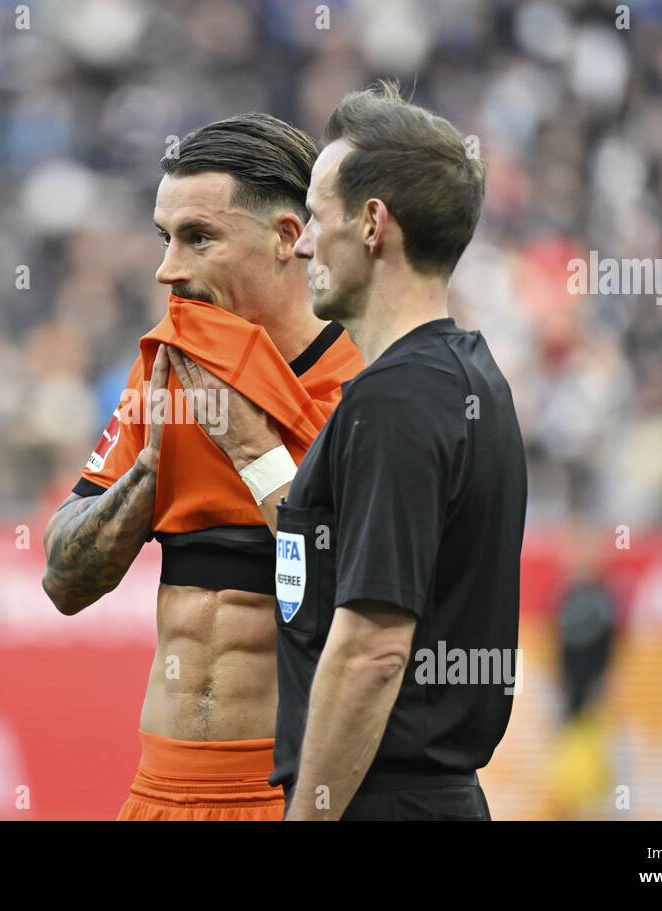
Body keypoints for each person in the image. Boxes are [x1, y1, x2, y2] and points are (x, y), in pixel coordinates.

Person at [166, 81, 527, 820]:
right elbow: (327, 564)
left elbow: (370, 651)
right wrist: (254, 450)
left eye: (317, 216)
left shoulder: (393, 400)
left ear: (371, 225)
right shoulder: (467, 376)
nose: (299, 242)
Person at [41, 113, 364, 821]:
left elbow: (365, 600)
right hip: (160, 791)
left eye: (199, 237)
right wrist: (148, 471)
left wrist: (255, 455)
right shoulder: (166, 372)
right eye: (166, 237)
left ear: (287, 237)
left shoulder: (363, 387)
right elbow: (63, 579)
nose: (168, 268)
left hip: (292, 795)